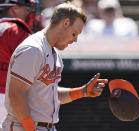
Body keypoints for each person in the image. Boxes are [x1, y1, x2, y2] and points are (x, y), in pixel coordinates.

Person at [2, 2, 108, 131]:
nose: (75, 40)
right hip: (23, 126)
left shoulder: (53, 53)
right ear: (65, 23)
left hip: (44, 126)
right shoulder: (33, 49)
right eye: (75, 33)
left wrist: (82, 91)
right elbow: (16, 94)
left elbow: (49, 94)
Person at [0, 0, 36, 130]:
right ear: (14, 9)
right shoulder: (16, 30)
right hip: (8, 99)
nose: (28, 13)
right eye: (26, 9)